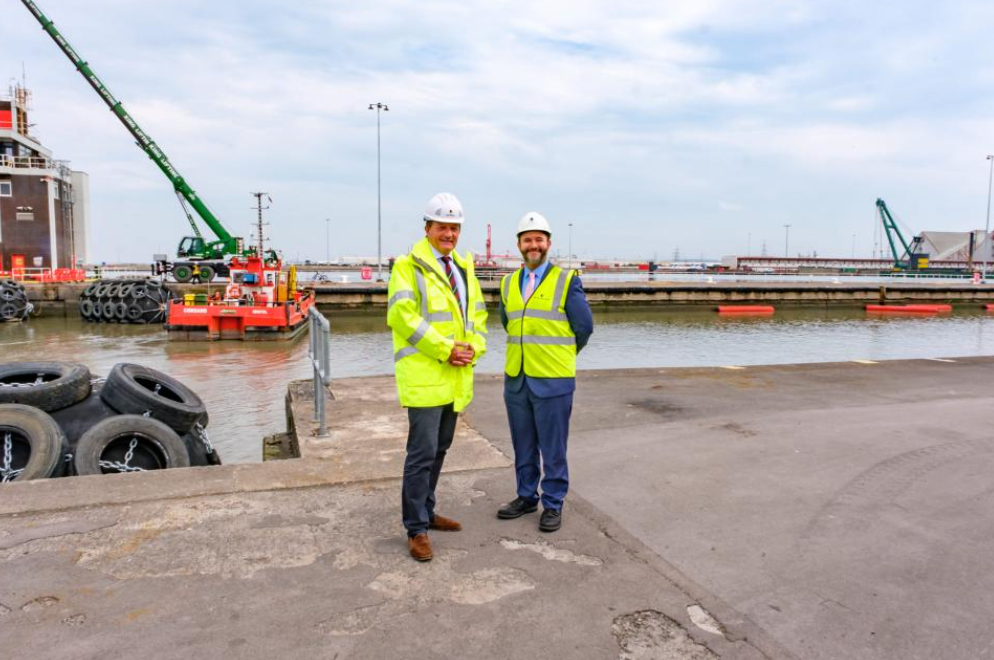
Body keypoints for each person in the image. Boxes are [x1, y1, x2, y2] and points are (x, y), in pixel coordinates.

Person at [386, 192, 488, 561]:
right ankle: (415, 529)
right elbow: (402, 317)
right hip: (425, 375)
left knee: (440, 450)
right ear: (427, 228)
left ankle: (427, 511)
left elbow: (476, 314)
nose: (449, 234)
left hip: (456, 376)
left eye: (454, 228)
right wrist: (446, 348)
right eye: (442, 227)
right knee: (421, 454)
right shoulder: (407, 266)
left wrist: (474, 347)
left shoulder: (463, 266)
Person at [496, 212, 593, 532]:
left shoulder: (567, 281)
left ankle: (553, 502)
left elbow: (584, 327)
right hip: (517, 378)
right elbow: (508, 323)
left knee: (553, 447)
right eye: (528, 239)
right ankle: (526, 496)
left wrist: (560, 354)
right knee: (522, 443)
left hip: (553, 378)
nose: (533, 245)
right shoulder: (508, 283)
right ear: (519, 245)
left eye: (539, 239)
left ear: (548, 243)